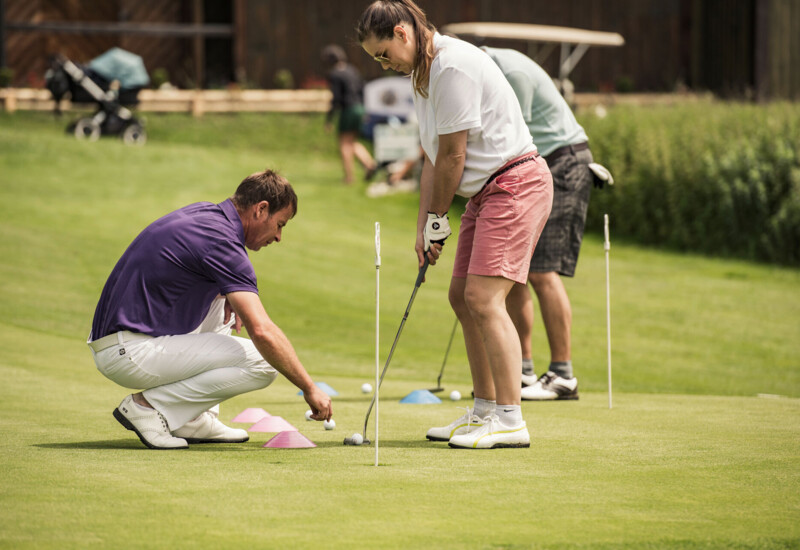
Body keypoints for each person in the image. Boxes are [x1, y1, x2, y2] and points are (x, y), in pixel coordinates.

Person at [357, 0, 553, 449]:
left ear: (403, 33)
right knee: (460, 297)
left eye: (384, 53)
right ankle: (484, 410)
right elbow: (430, 158)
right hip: (487, 192)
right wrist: (426, 224)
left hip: (515, 183)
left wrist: (440, 219)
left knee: (483, 298)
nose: (384, 64)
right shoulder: (422, 77)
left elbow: (454, 156)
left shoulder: (453, 67)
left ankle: (510, 419)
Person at [87, 169, 333, 450]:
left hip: (119, 343)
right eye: (280, 224)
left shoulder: (207, 215)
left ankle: (191, 419)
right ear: (261, 209)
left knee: (223, 301)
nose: (278, 236)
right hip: (130, 353)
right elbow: (262, 331)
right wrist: (310, 387)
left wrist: (222, 290)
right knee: (264, 364)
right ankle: (148, 407)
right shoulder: (223, 243)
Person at [481, 46, 606, 401]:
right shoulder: (490, 68)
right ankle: (522, 370)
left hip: (563, 163)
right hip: (535, 166)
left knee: (541, 272)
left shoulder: (511, 74)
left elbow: (506, 137)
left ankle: (562, 375)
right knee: (514, 271)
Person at [321, 44, 377, 184]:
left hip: (348, 110)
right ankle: (369, 164)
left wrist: (329, 119)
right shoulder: (352, 70)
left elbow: (336, 99)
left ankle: (349, 177)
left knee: (344, 143)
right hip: (360, 108)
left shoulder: (335, 74)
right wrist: (365, 109)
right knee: (352, 141)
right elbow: (363, 90)